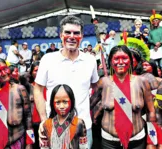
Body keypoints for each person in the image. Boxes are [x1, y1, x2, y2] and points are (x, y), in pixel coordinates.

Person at [34, 15, 99, 148]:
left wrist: (86, 108)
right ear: (60, 35)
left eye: (76, 33)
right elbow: (38, 89)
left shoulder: (90, 60)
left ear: (82, 36)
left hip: (83, 127)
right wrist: (43, 120)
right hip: (53, 126)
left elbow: (95, 87)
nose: (71, 36)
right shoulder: (48, 59)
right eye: (67, 32)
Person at [92, 45, 156, 149]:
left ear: (130, 61)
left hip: (136, 141)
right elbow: (89, 104)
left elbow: (151, 112)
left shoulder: (142, 82)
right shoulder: (103, 82)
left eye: (124, 58)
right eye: (116, 59)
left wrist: (151, 141)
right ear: (110, 62)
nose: (120, 62)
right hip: (109, 142)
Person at [40, 84, 87, 149]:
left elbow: (84, 147)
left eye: (65, 102)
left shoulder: (79, 123)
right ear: (52, 103)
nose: (61, 106)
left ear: (71, 102)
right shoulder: (47, 124)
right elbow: (44, 147)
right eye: (58, 102)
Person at [148, 11, 162, 79]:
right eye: (153, 21)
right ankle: (156, 78)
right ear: (152, 22)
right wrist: (155, 43)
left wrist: (159, 43)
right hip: (153, 49)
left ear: (159, 21)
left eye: (156, 20)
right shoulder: (151, 31)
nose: (155, 22)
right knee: (155, 65)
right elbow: (149, 40)